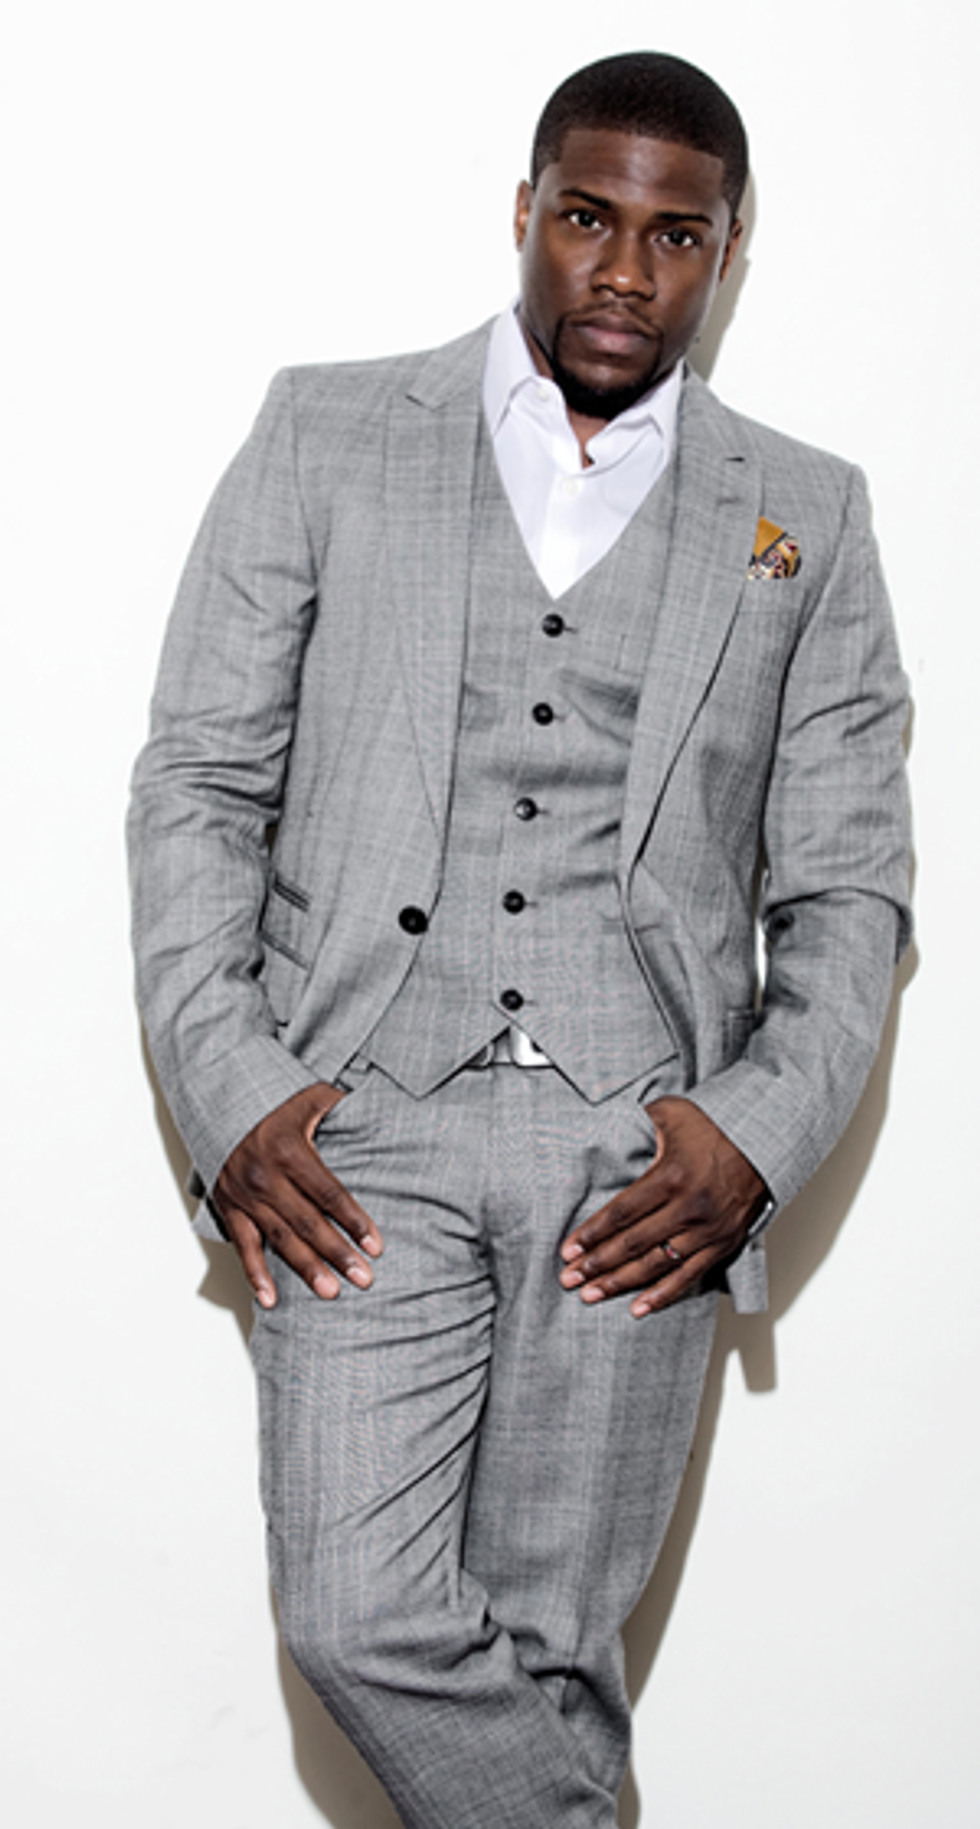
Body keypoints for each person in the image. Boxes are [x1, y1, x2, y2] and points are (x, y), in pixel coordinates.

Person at [128, 50, 911, 1829]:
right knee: (354, 1615)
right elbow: (197, 784)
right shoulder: (328, 431)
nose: (624, 270)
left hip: (642, 1160)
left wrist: (754, 1134)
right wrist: (233, 1089)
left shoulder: (808, 513)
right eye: (586, 218)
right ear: (525, 212)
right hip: (353, 1130)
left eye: (677, 235)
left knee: (553, 1656)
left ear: (728, 254)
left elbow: (852, 885)